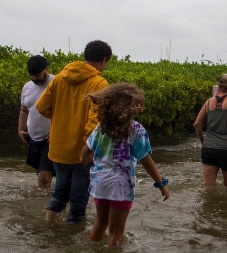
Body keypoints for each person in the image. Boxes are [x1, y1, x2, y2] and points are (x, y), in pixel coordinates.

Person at [80, 83, 169, 247]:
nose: (140, 108)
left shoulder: (101, 127)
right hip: (121, 185)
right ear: (127, 107)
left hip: (100, 182)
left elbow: (86, 151)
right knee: (116, 232)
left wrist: (84, 159)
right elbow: (145, 159)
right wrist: (160, 183)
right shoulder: (136, 129)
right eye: (137, 105)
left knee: (100, 222)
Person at [36, 40, 112, 225]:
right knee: (78, 204)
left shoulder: (61, 77)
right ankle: (69, 242)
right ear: (103, 60)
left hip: (58, 148)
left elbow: (42, 106)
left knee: (60, 192)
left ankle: (47, 225)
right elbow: (95, 120)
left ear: (86, 56)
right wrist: (88, 147)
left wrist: (61, 119)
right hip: (80, 151)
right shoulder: (99, 83)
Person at [18, 55, 55, 189]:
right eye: (31, 76)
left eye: (37, 75)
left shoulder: (56, 83)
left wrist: (56, 132)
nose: (34, 79)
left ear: (46, 69)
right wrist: (20, 129)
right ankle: (45, 201)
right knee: (40, 174)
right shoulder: (27, 87)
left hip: (51, 138)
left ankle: (47, 208)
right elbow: (24, 109)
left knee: (44, 176)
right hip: (32, 137)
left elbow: (66, 111)